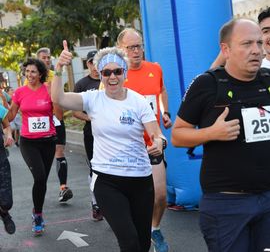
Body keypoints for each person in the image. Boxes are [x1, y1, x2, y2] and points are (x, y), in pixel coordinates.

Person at [52, 41, 167, 252]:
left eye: (117, 71)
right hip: (107, 181)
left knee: (142, 244)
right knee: (129, 242)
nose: (112, 77)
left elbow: (156, 134)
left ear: (124, 73)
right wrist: (58, 68)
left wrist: (159, 143)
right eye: (106, 72)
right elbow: (58, 98)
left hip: (141, 181)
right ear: (101, 75)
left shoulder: (138, 101)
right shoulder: (92, 99)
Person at [171, 18, 270, 251]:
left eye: (259, 42)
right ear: (226, 49)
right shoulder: (207, 84)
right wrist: (211, 132)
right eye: (246, 43)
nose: (256, 50)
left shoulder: (267, 80)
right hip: (227, 203)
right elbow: (177, 135)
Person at [117, 28, 172, 252]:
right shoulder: (116, 75)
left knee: (160, 195)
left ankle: (154, 229)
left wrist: (165, 112)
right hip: (127, 147)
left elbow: (162, 90)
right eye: (131, 47)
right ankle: (135, 235)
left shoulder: (155, 68)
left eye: (139, 45)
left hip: (152, 143)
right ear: (122, 49)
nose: (136, 51)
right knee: (133, 199)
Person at [9, 58, 56, 236]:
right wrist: (3, 109)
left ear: (41, 74)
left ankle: (37, 211)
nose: (30, 75)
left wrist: (56, 97)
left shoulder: (49, 89)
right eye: (27, 72)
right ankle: (37, 215)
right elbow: (12, 115)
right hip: (28, 142)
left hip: (48, 140)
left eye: (33, 72)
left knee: (42, 180)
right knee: (39, 176)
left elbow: (58, 113)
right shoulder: (20, 92)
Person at [36, 48, 73, 202]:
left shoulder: (55, 75)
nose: (47, 60)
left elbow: (59, 98)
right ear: (38, 60)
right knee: (43, 156)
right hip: (39, 121)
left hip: (56, 119)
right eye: (44, 58)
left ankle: (63, 187)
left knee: (59, 150)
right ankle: (40, 187)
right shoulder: (31, 77)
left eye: (49, 57)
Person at [73, 50, 103, 221]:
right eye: (92, 62)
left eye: (98, 61)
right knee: (94, 168)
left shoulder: (109, 79)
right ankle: (96, 203)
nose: (95, 65)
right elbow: (75, 112)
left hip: (110, 133)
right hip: (91, 133)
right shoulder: (82, 84)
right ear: (88, 64)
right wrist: (91, 118)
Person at [0, 103, 15, 235]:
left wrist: (9, 135)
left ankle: (4, 213)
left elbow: (6, 126)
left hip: (0, 159)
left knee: (6, 202)